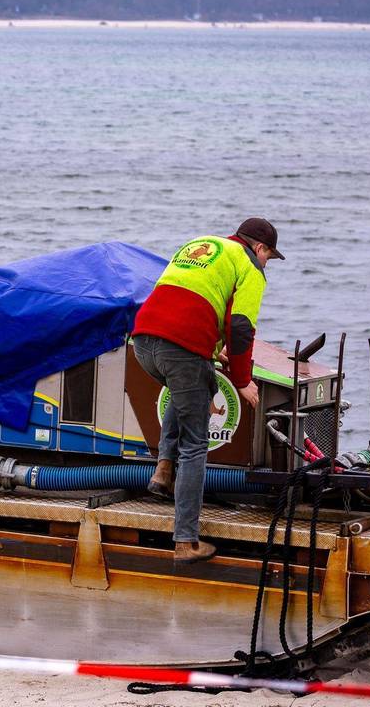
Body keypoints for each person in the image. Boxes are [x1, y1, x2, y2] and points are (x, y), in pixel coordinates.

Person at [131, 217, 283, 563]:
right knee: (196, 445)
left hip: (142, 343)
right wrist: (243, 380)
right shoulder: (249, 266)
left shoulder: (202, 245)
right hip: (180, 351)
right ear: (260, 248)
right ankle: (186, 542)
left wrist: (214, 350)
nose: (266, 265)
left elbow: (189, 305)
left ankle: (163, 467)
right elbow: (242, 327)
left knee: (194, 386)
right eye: (268, 257)